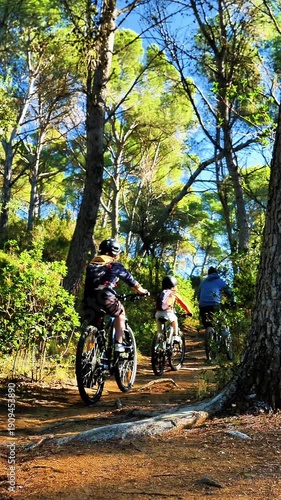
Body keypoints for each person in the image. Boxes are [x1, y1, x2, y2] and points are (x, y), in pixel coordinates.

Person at [83, 238, 148, 352]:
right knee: (120, 313)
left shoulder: (92, 264)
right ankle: (119, 344)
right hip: (105, 297)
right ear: (114, 253)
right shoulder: (113, 264)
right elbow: (130, 280)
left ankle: (89, 355)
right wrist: (141, 291)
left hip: (88, 298)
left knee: (95, 328)